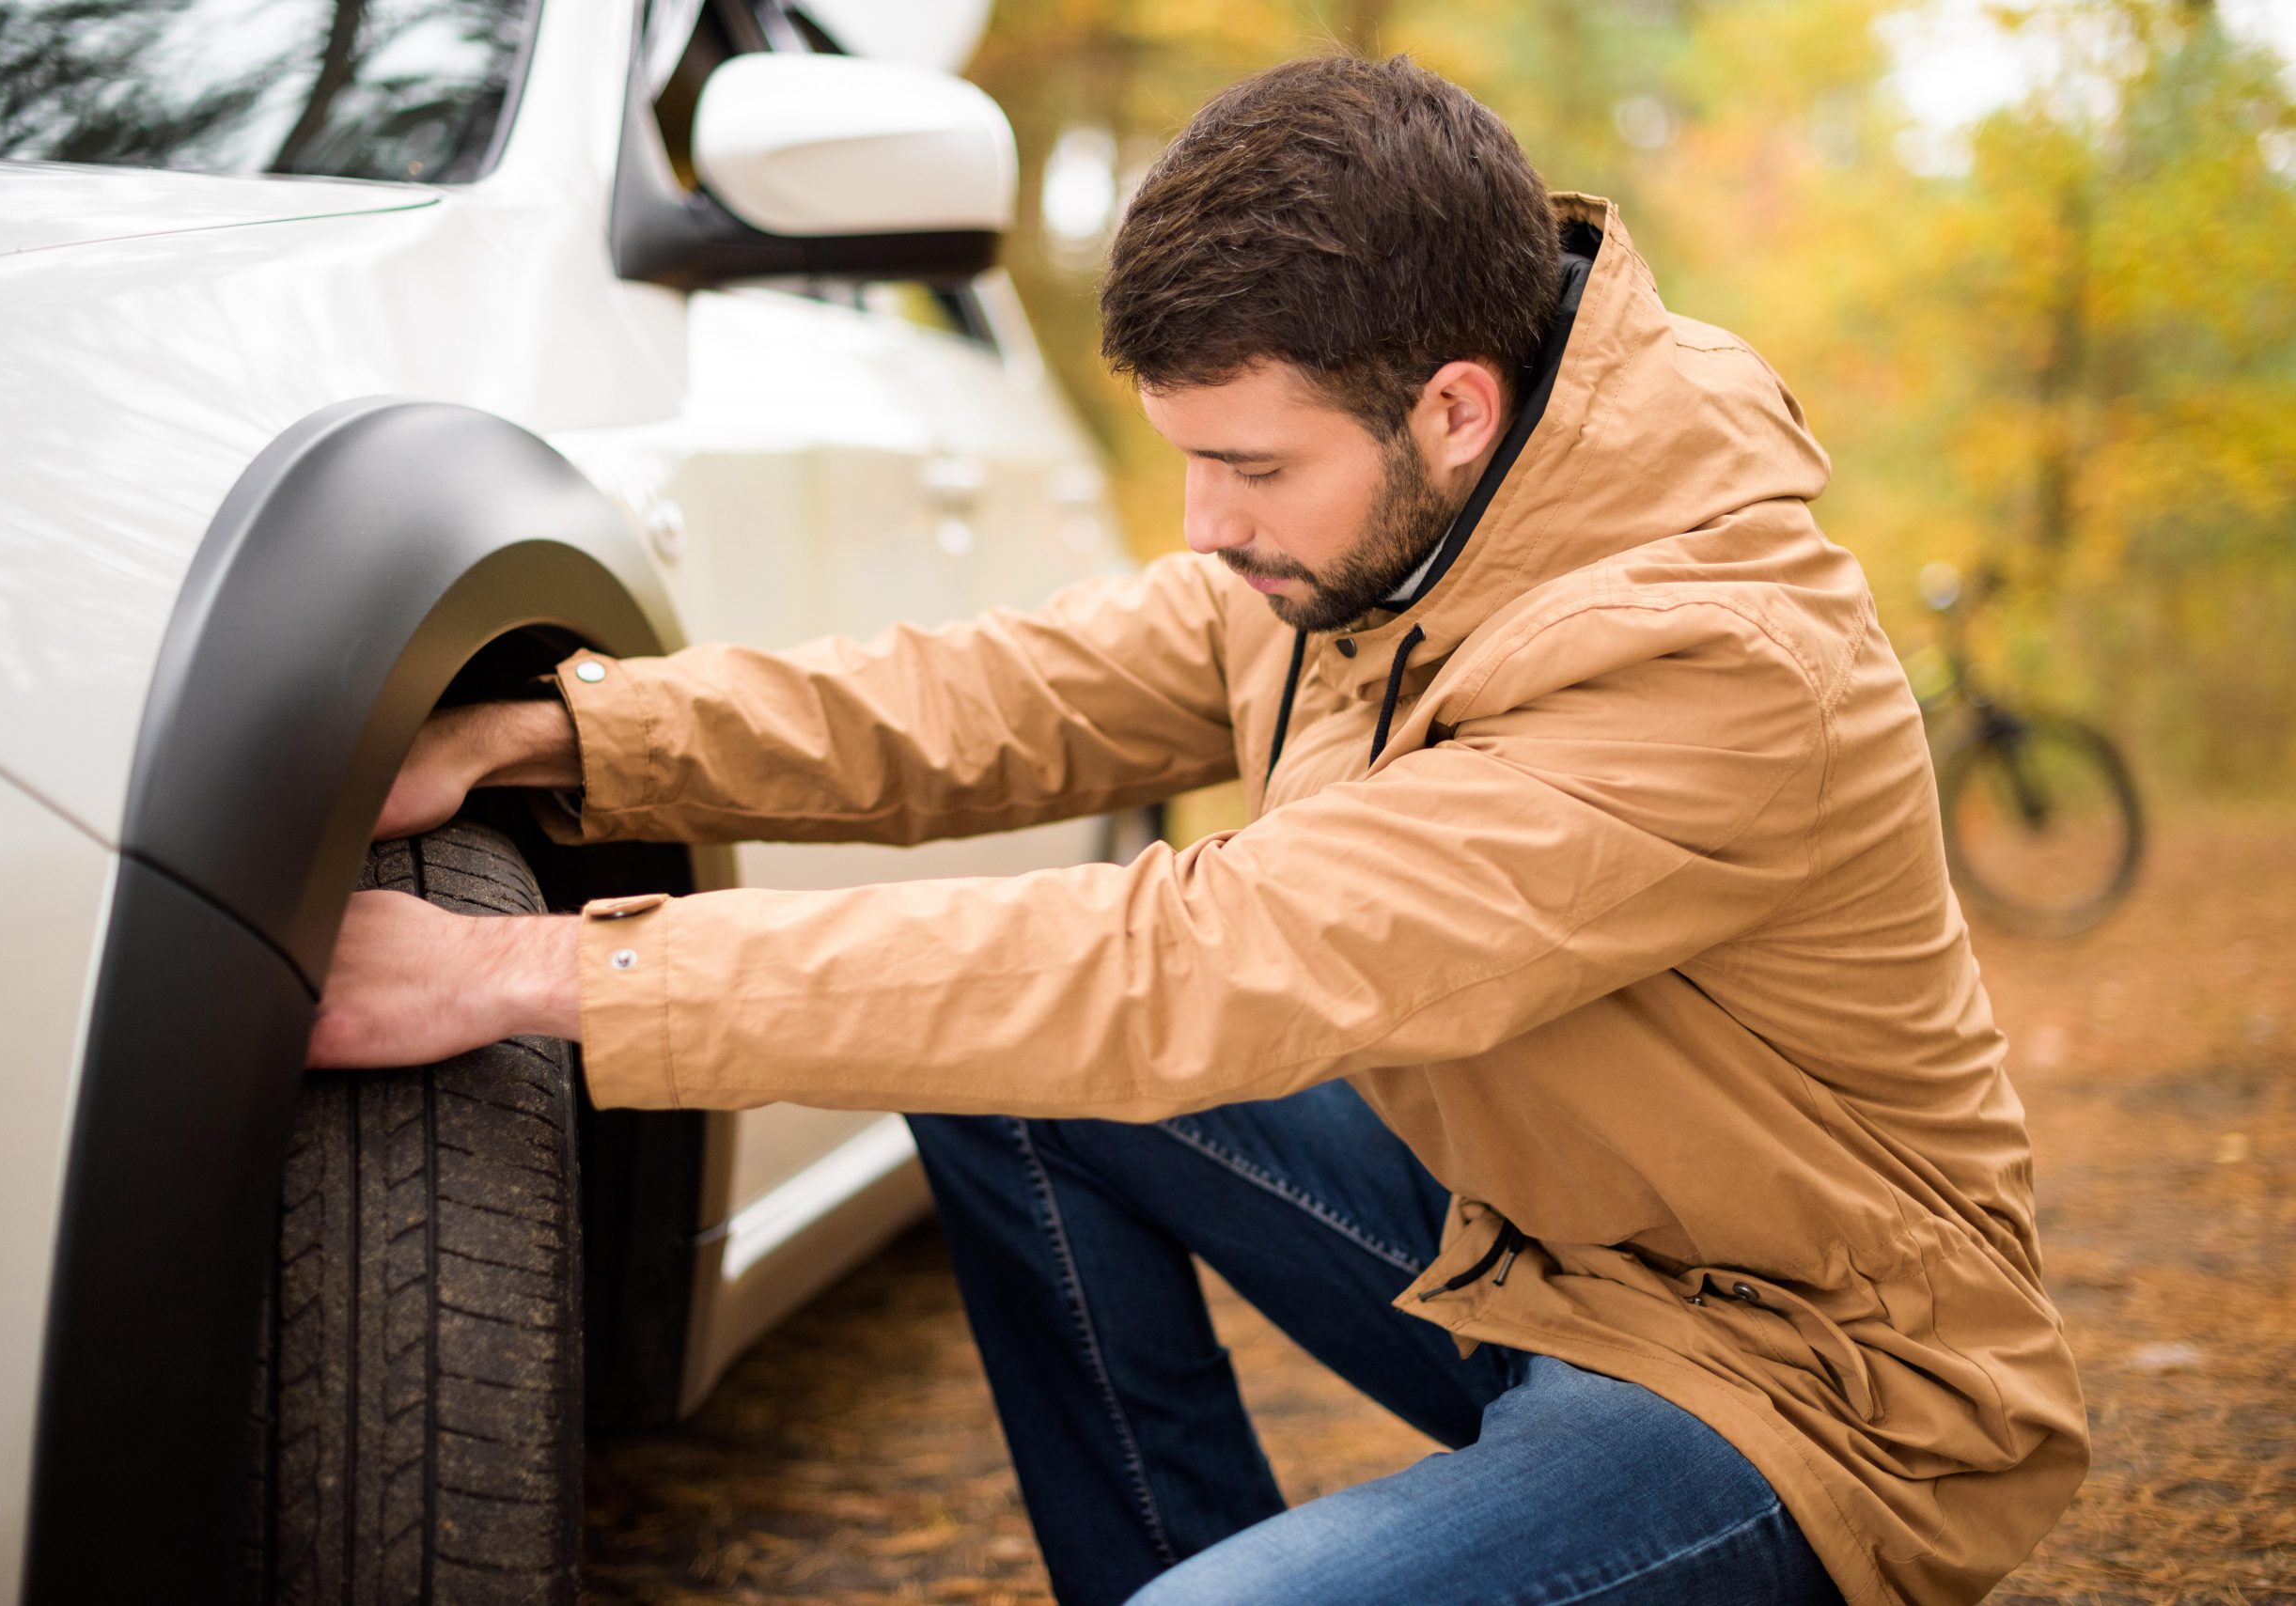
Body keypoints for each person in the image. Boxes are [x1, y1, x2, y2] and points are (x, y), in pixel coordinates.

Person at [308, 55, 2087, 1606]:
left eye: (1250, 466)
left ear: (1451, 409)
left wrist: (526, 971)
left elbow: (1202, 961)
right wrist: (560, 733)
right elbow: (1001, 697)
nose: (1203, 523)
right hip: (1528, 1245)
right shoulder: (1387, 539)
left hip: (1800, 1379)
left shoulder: (1714, 661)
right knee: (996, 1066)